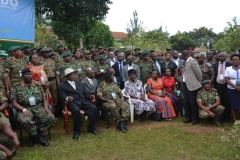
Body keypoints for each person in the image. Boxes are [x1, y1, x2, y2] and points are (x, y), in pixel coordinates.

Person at [11, 68, 54, 147]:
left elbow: (44, 99)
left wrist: (46, 107)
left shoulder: (37, 85)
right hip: (25, 108)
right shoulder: (17, 87)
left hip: (38, 107)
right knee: (25, 120)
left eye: (30, 74)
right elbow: (14, 103)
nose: (29, 76)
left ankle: (33, 136)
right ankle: (38, 138)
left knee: (50, 117)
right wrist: (23, 109)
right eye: (26, 74)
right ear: (22, 76)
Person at [58, 68, 100, 140]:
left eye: (73, 74)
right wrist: (67, 98)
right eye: (71, 74)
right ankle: (77, 131)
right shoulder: (62, 85)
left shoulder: (79, 83)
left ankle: (91, 128)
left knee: (93, 108)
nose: (73, 75)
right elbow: (62, 95)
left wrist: (90, 96)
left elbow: (85, 93)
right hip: (73, 103)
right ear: (67, 76)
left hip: (83, 101)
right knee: (76, 110)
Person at [182, 50, 202, 125]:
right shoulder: (186, 62)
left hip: (192, 85)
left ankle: (196, 118)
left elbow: (199, 73)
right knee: (186, 102)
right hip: (185, 84)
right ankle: (188, 117)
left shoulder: (192, 61)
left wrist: (199, 82)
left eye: (182, 56)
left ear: (184, 55)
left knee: (193, 103)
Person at [213, 52, 232, 123]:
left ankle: (227, 117)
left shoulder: (230, 65)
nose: (221, 57)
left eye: (223, 56)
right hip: (218, 85)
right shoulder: (214, 65)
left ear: (226, 57)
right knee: (219, 101)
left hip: (227, 85)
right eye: (220, 56)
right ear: (218, 57)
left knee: (227, 101)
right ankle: (220, 117)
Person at [39, 47, 58, 114]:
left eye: (48, 52)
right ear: (42, 53)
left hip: (53, 80)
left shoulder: (52, 61)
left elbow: (55, 71)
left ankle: (54, 111)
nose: (47, 53)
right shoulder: (39, 61)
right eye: (45, 52)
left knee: (54, 96)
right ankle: (46, 111)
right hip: (44, 81)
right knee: (45, 96)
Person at [224, 54, 240, 122]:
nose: (235, 61)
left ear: (239, 60)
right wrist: (235, 86)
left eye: (237, 60)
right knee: (233, 104)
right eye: (233, 60)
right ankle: (235, 120)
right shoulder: (228, 68)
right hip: (232, 88)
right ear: (231, 61)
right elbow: (227, 80)